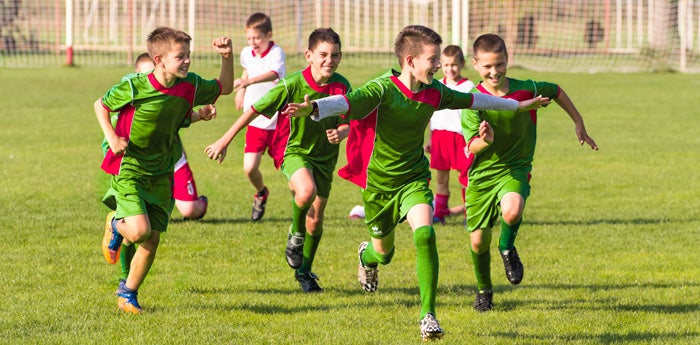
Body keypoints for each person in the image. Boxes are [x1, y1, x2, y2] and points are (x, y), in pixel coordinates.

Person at [282, 25, 549, 341]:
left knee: (425, 234)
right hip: (379, 187)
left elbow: (476, 101)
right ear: (410, 60)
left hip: (414, 180)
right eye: (433, 59)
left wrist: (518, 106)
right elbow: (347, 103)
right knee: (383, 254)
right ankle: (366, 256)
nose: (439, 66)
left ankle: (428, 316)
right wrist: (314, 107)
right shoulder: (382, 89)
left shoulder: (434, 91)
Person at [96, 27, 233, 314]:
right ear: (159, 60)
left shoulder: (190, 85)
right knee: (139, 231)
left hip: (162, 171)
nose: (187, 61)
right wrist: (111, 136)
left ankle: (127, 295)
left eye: (188, 56)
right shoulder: (136, 86)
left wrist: (227, 57)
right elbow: (101, 105)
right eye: (180, 56)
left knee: (152, 238)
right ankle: (115, 223)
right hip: (130, 167)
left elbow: (225, 86)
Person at [204, 28, 350, 293]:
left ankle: (305, 273)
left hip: (325, 160)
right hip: (294, 152)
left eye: (335, 55)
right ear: (309, 56)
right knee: (305, 191)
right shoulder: (292, 85)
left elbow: (348, 122)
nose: (329, 60)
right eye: (323, 54)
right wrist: (224, 140)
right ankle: (295, 234)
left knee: (315, 221)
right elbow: (254, 110)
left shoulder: (342, 86)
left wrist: (340, 132)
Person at [462, 33, 598, 312]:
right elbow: (469, 148)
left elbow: (556, 90)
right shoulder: (473, 100)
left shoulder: (527, 89)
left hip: (515, 168)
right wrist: (484, 141)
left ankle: (507, 248)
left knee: (512, 210)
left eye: (499, 64)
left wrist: (578, 121)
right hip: (482, 176)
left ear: (507, 60)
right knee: (477, 242)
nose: (494, 71)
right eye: (487, 66)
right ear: (475, 65)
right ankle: (484, 290)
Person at [103, 53, 216, 288]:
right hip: (133, 168)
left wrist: (199, 115)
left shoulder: (173, 91)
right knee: (137, 231)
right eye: (143, 74)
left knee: (154, 231)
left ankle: (127, 289)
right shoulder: (131, 95)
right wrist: (113, 141)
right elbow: (103, 110)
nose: (149, 77)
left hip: (165, 163)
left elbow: (182, 117)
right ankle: (124, 272)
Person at [234, 12, 287, 221]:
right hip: (255, 120)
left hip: (277, 121)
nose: (252, 42)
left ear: (269, 35)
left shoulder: (277, 53)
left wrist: (248, 83)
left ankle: (302, 208)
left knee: (290, 171)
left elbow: (274, 74)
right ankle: (262, 192)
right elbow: (246, 71)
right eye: (249, 38)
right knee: (249, 168)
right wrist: (241, 91)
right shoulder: (246, 53)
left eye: (257, 37)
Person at [424, 45, 474, 224]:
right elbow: (432, 114)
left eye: (453, 64)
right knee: (441, 179)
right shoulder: (437, 85)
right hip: (439, 138)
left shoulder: (468, 86)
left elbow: (472, 115)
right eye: (445, 65)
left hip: (460, 138)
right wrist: (430, 138)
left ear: (462, 64)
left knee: (465, 179)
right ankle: (440, 212)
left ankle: (471, 214)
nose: (449, 69)